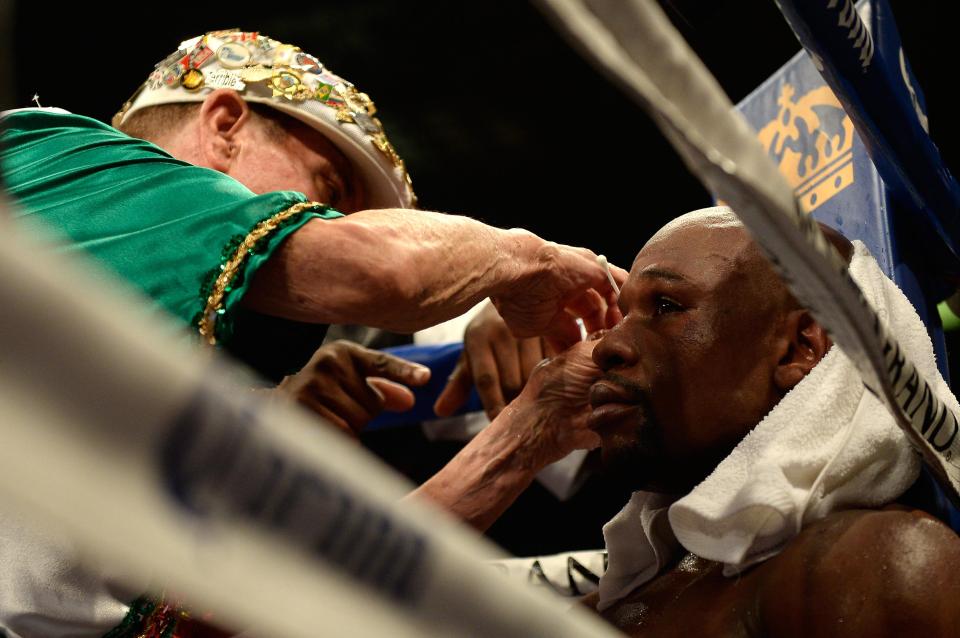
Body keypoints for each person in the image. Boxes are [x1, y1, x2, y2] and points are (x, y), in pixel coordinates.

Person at [412, 207, 960, 635]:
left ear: (799, 348)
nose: (607, 346)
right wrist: (528, 431)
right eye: (623, 313)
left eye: (668, 307)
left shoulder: (872, 566)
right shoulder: (623, 601)